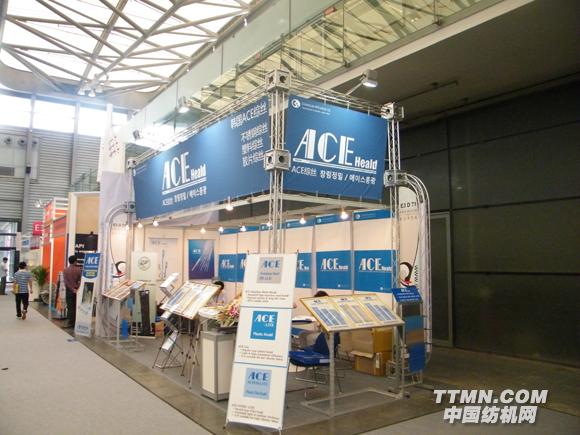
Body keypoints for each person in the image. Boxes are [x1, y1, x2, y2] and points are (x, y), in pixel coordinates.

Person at [63, 255, 82, 328]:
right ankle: (75, 321)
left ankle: (70, 322)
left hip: (69, 290)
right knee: (75, 306)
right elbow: (80, 280)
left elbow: (66, 282)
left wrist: (71, 289)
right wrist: (77, 288)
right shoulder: (78, 270)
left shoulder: (65, 270)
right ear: (75, 261)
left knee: (70, 306)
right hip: (76, 290)